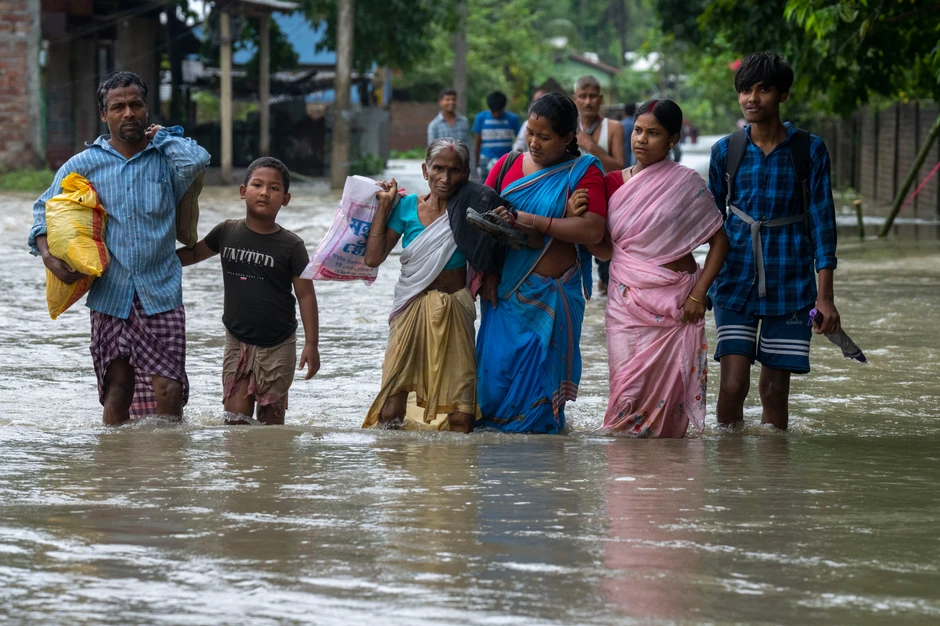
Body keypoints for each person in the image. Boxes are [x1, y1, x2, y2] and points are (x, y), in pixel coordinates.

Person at [28, 71, 210, 425]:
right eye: (118, 107)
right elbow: (42, 212)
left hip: (162, 293)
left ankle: (170, 469)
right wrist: (49, 257)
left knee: (170, 390)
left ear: (146, 109)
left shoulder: (167, 158)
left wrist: (162, 137)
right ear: (104, 115)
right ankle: (114, 470)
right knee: (117, 390)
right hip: (110, 295)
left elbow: (197, 161)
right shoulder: (84, 164)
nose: (128, 113)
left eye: (135, 105)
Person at [708, 52, 840, 431]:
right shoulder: (725, 151)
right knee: (733, 385)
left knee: (773, 390)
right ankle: (730, 471)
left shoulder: (809, 150)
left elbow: (822, 223)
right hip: (734, 282)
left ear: (783, 95)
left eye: (763, 90)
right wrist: (699, 286)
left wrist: (825, 296)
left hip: (792, 283)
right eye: (745, 90)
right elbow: (707, 224)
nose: (752, 98)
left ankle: (772, 479)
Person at [475, 92, 607, 434]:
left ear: (568, 138)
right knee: (493, 388)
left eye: (545, 137)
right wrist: (485, 273)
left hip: (553, 298)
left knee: (540, 410)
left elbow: (592, 229)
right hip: (503, 296)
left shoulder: (584, 171)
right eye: (531, 133)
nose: (534, 143)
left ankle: (545, 475)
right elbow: (479, 221)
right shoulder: (505, 166)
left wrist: (533, 220)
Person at [598, 99, 729, 437]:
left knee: (670, 407)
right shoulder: (612, 182)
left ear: (672, 139)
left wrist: (698, 296)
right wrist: (576, 214)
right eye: (638, 131)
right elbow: (603, 248)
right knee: (625, 396)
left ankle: (668, 482)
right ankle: (626, 480)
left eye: (653, 133)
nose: (641, 139)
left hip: (678, 306)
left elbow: (720, 243)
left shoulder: (687, 183)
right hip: (626, 303)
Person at [362, 139, 507, 433]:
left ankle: (455, 475)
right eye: (438, 168)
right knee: (391, 408)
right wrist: (383, 208)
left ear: (466, 174)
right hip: (410, 307)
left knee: (461, 413)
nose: (445, 178)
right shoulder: (405, 207)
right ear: (425, 169)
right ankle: (396, 471)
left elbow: (494, 253)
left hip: (455, 305)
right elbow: (373, 258)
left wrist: (501, 222)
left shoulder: (474, 209)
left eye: (454, 170)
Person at [176, 157, 320, 425]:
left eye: (274, 188)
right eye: (257, 185)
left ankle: (268, 466)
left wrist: (312, 345)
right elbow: (194, 253)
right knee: (234, 420)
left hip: (279, 343)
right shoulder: (227, 231)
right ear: (244, 191)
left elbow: (306, 295)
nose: (265, 192)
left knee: (271, 422)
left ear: (285, 199)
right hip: (237, 340)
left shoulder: (291, 245)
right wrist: (155, 260)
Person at [573, 75, 625, 297]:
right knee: (573, 267)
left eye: (592, 96)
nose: (588, 101)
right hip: (575, 204)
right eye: (583, 96)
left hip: (609, 204)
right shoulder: (567, 127)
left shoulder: (612, 127)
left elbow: (619, 167)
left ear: (601, 98)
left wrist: (591, 147)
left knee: (609, 268)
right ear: (575, 99)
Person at [472, 91, 522, 181]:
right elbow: (477, 143)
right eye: (493, 111)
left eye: (499, 111)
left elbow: (521, 139)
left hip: (506, 161)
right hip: (485, 160)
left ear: (503, 107)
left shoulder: (513, 119)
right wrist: (476, 165)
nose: (496, 114)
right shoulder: (481, 118)